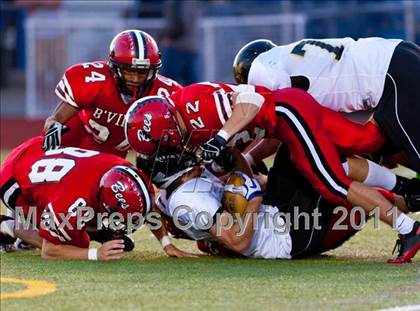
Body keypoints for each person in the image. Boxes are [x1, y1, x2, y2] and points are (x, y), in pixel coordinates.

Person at [155, 149, 419, 264]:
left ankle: (407, 193)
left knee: (300, 150)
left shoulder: (175, 196)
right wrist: (254, 197)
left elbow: (151, 205)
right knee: (325, 165)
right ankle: (408, 200)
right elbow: (239, 241)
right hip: (289, 235)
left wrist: (233, 154)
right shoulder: (188, 204)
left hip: (279, 214)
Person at [233, 37, 420, 172]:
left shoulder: (262, 68)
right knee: (388, 148)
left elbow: (281, 121)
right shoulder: (290, 55)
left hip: (388, 76)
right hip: (396, 55)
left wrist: (247, 159)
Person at [0, 136, 194, 260]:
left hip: (37, 150)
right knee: (75, 244)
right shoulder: (74, 200)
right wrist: (94, 254)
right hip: (12, 179)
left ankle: (95, 230)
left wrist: (166, 244)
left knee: (77, 228)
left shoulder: (127, 173)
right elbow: (50, 251)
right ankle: (8, 226)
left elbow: (148, 204)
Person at [42, 29, 182, 158]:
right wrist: (53, 124)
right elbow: (56, 119)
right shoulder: (94, 81)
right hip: (75, 143)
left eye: (142, 72)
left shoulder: (165, 93)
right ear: (114, 68)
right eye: (129, 71)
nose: (135, 79)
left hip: (112, 157)